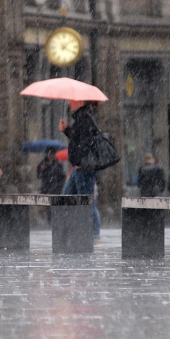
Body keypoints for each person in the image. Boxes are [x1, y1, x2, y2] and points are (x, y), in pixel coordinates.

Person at [59, 100, 102, 245]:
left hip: (84, 169)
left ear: (80, 102)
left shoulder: (85, 119)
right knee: (66, 197)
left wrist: (79, 159)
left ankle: (95, 234)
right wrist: (66, 130)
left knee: (87, 200)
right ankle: (71, 229)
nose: (70, 103)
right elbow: (77, 138)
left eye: (72, 101)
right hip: (78, 168)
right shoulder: (80, 118)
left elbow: (85, 143)